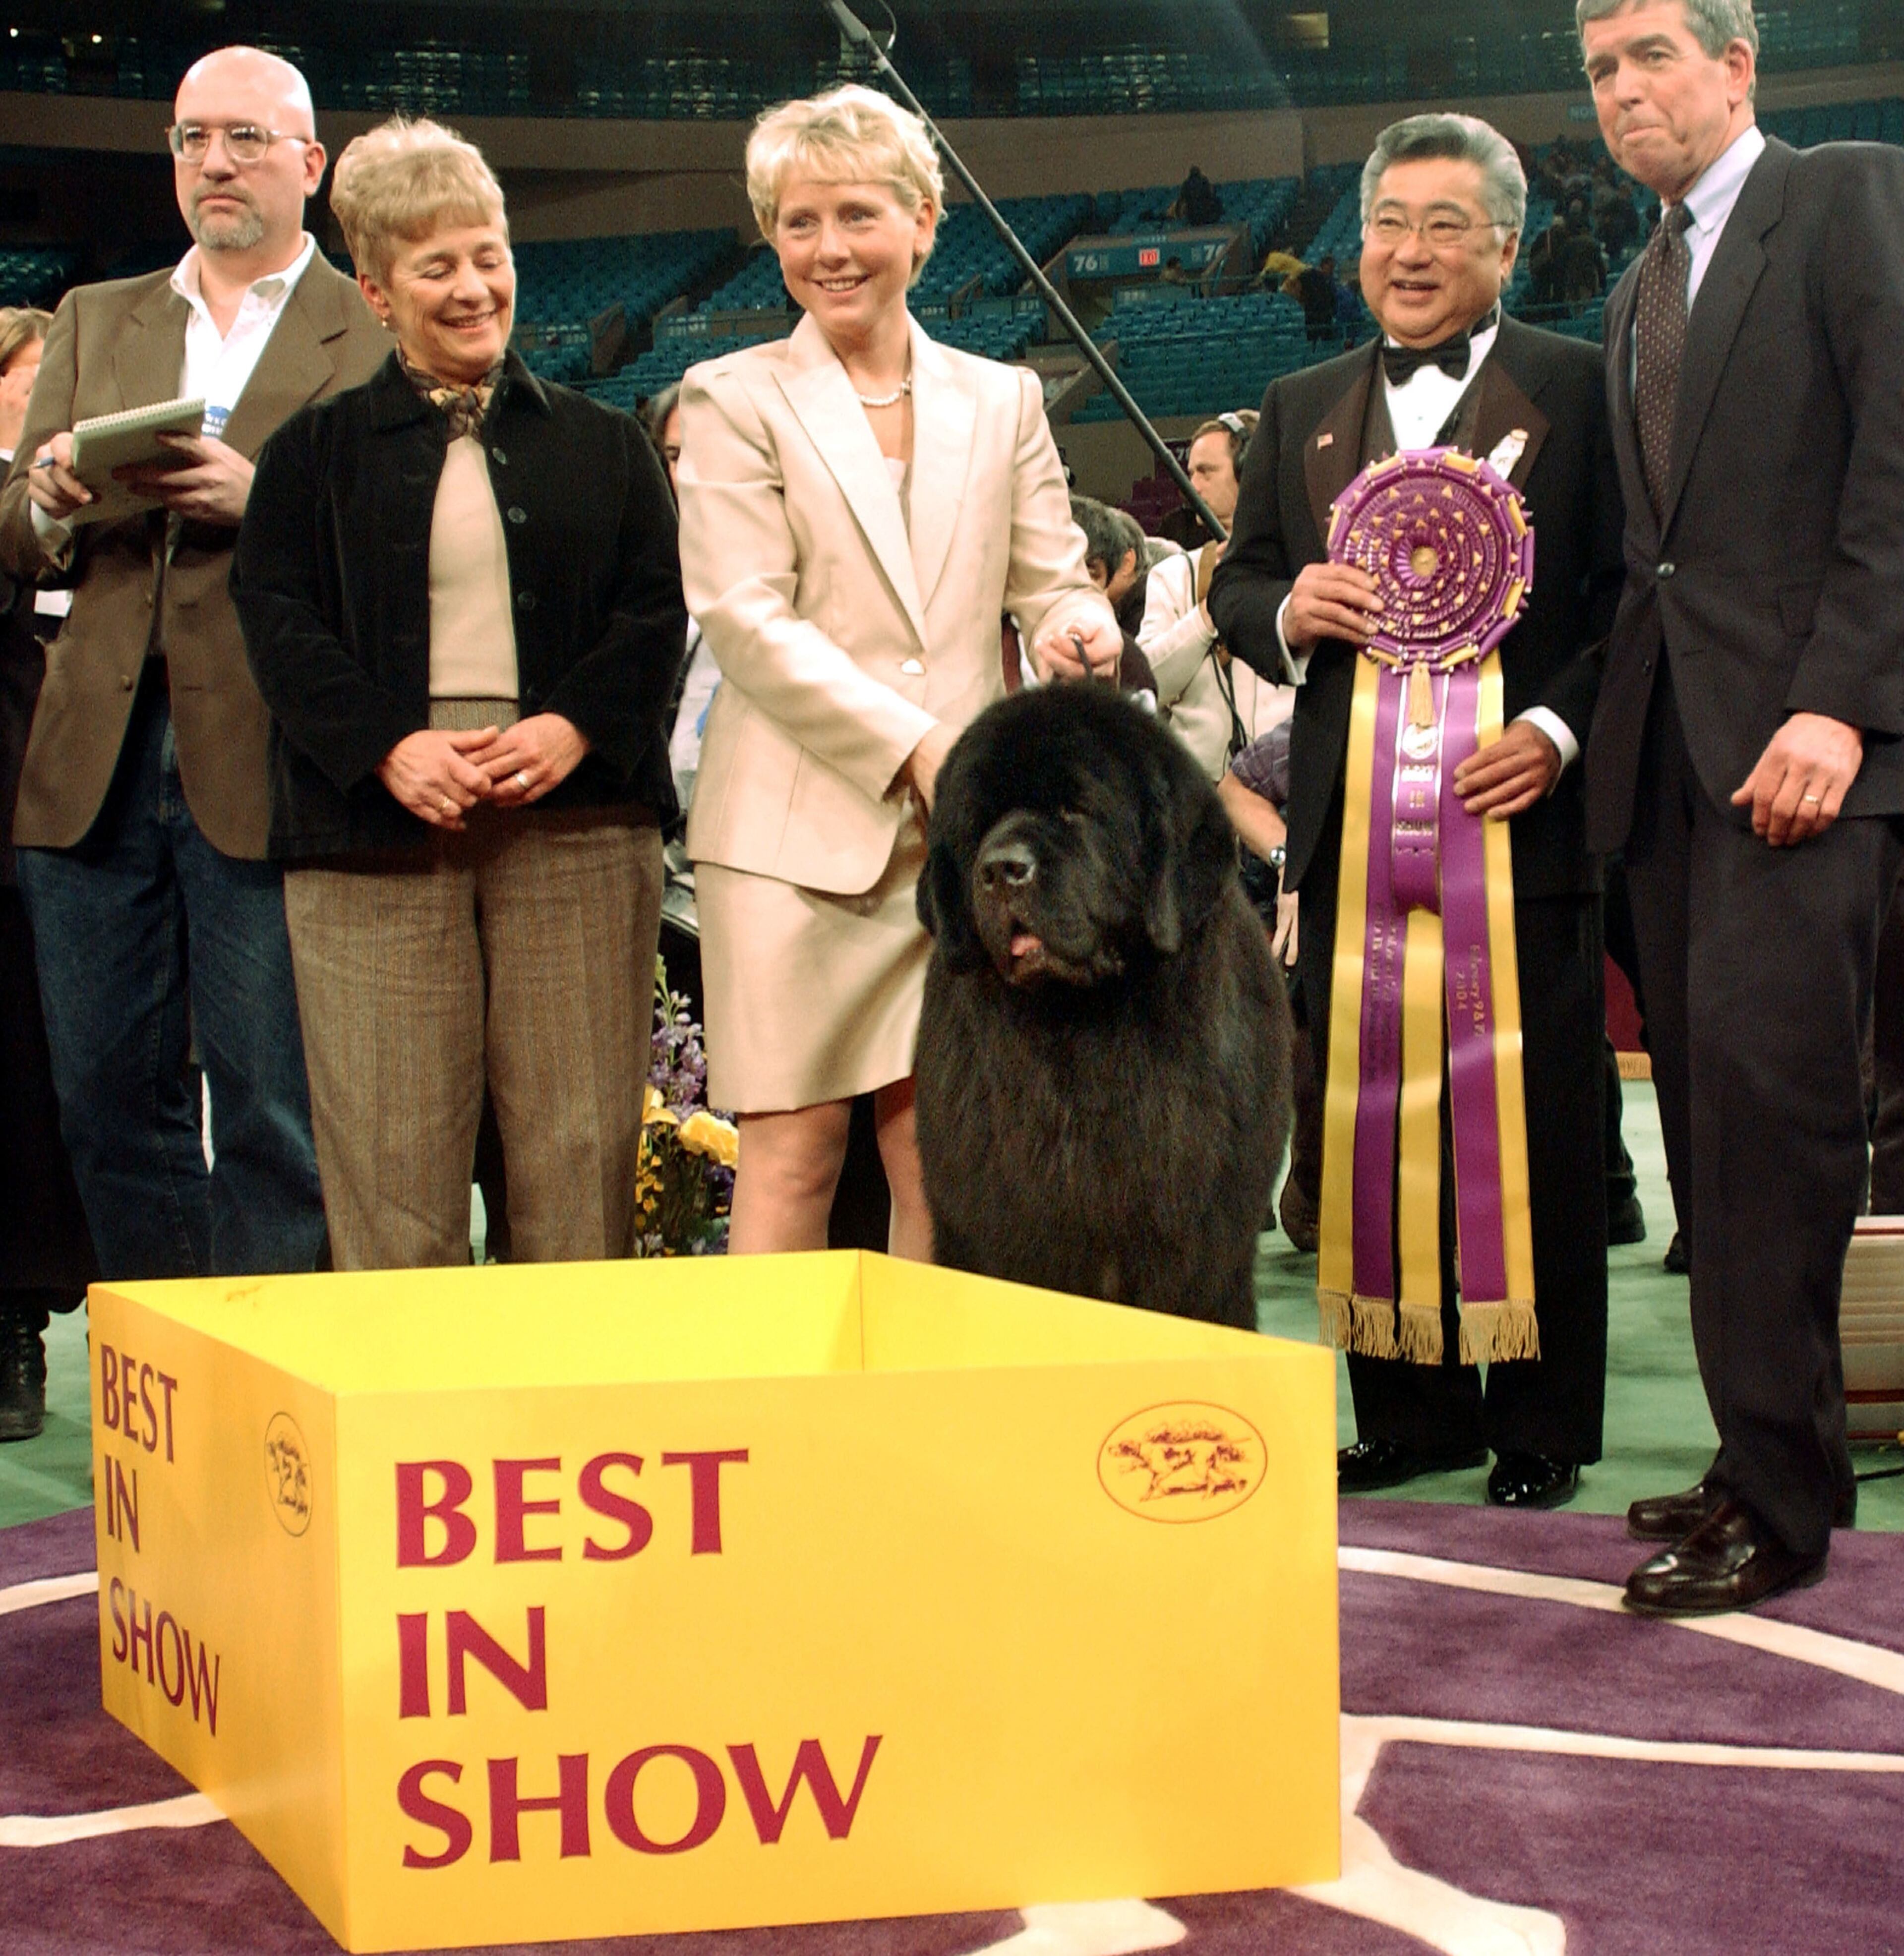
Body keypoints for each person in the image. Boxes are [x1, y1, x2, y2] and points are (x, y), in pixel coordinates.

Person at [1210, 112, 1625, 1510]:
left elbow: (1629, 600)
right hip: (1350, 840)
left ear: (1507, 245)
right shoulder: (1297, 405)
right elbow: (1235, 585)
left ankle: (1544, 1421)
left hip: (1523, 830)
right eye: (1389, 222)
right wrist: (1286, 609)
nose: (1409, 252)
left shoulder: (1583, 386)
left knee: (1543, 1132)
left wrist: (1558, 731)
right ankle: (1409, 1406)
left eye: (1447, 225)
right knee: (1367, 1119)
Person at [1578, 0, 1904, 1612]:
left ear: (1737, 65)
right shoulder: (1638, 285)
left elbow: (1897, 467)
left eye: (1650, 54)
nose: (1625, 89)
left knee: (1778, 1135)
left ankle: (1782, 1509)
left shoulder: (1843, 197)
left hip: (1808, 762)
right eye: (1600, 69)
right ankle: (1750, 1454)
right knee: (1715, 1149)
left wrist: (1841, 702)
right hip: (1672, 776)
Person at [233, 118, 686, 1269]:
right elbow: (277, 621)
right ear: (378, 293)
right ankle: (410, 1428)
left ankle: (571, 1422)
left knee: (578, 1158)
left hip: (577, 835)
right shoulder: (309, 454)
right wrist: (389, 745)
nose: (476, 286)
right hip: (374, 845)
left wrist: (571, 725)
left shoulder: (607, 443)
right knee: (390, 1173)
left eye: (490, 254)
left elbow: (653, 615)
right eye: (437, 266)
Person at [675, 84, 1120, 1259]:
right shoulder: (731, 399)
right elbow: (746, 619)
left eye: (858, 215)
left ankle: (918, 1426)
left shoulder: (1005, 395)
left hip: (960, 852)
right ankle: (769, 1433)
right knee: (789, 1157)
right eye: (799, 221)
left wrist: (1083, 625)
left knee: (944, 1154)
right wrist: (920, 748)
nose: (830, 249)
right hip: (786, 846)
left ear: (923, 222)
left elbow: (1052, 578)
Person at [0, 48, 388, 1280]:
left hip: (272, 761)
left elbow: (403, 540)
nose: (213, 163)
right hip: (88, 767)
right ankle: (168, 1388)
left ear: (310, 164)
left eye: (244, 139)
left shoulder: (368, 330)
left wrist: (261, 497)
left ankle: (268, 1400)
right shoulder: (96, 317)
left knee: (275, 1114)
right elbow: (9, 525)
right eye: (189, 140)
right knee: (106, 1106)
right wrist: (54, 499)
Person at [0, 307, 98, 1441]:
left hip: (84, 832)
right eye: (23, 377)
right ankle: (15, 1319)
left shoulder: (89, 506)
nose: (39, 392)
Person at [1136, 410, 1293, 781]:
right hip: (1199, 796)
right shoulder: (1173, 575)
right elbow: (1149, 681)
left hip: (1288, 790)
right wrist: (1209, 612)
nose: (1193, 484)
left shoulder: (1304, 569)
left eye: (1207, 471)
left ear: (1250, 469)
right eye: (1190, 473)